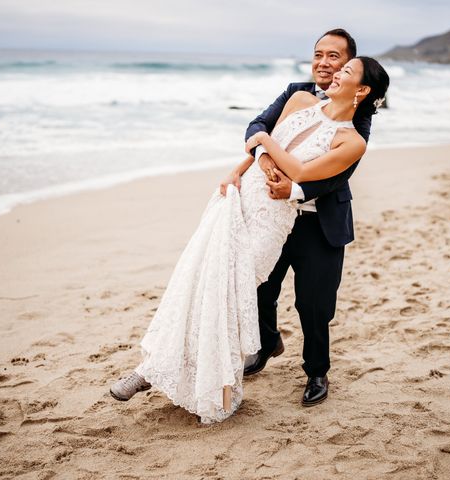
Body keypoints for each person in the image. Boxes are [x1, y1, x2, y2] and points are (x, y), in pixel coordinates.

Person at [109, 55, 390, 423]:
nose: (333, 71)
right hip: (238, 202)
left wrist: (269, 151)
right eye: (326, 60)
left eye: (344, 68)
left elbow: (303, 171)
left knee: (244, 297)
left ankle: (306, 373)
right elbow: (262, 139)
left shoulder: (353, 138)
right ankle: (150, 368)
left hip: (277, 220)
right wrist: (242, 164)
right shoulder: (301, 99)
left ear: (364, 89)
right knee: (198, 280)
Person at [241, 29, 374, 407]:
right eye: (319, 54)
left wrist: (295, 190)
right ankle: (268, 343)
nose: (324, 63)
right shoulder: (295, 92)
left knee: (314, 303)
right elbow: (257, 127)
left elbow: (340, 172)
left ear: (349, 63)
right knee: (260, 285)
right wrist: (265, 161)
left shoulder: (358, 112)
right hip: (272, 213)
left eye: (335, 57)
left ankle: (317, 371)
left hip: (320, 220)